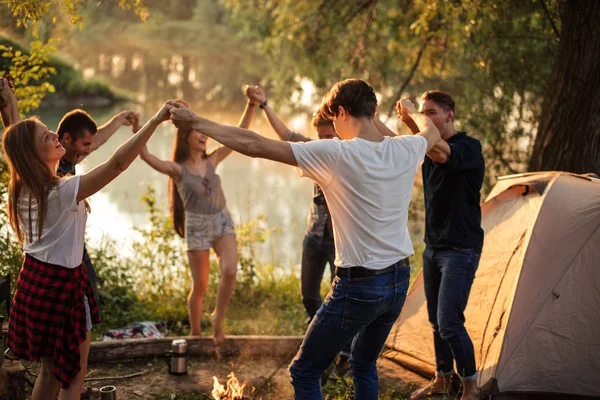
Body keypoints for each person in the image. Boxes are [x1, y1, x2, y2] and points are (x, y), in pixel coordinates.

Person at [167, 78, 441, 400]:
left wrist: (196, 122)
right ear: (374, 110)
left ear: (340, 112)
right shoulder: (404, 148)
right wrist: (410, 114)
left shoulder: (336, 154)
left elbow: (255, 145)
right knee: (364, 363)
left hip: (359, 286)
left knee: (304, 370)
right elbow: (432, 131)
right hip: (398, 281)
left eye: (335, 120)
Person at [3, 96, 173, 400]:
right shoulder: (60, 191)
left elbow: (16, 137)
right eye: (47, 137)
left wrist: (10, 104)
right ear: (33, 154)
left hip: (34, 285)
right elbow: (119, 163)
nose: (55, 135)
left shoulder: (21, 188)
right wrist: (157, 118)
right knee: (72, 379)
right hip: (61, 290)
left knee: (48, 373)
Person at [134, 98, 255, 345]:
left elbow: (239, 135)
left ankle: (217, 320)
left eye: (204, 132)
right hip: (196, 226)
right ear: (185, 136)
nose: (203, 136)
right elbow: (145, 155)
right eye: (197, 132)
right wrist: (139, 128)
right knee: (200, 286)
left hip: (222, 221)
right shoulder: (177, 170)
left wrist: (251, 104)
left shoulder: (213, 160)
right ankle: (195, 334)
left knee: (230, 271)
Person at [399, 91, 484, 400]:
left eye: (432, 112)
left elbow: (440, 151)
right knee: (436, 321)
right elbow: (415, 145)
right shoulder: (431, 148)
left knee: (449, 322)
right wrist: (405, 121)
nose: (428, 117)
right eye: (426, 113)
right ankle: (443, 378)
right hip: (434, 247)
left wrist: (413, 116)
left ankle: (471, 385)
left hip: (461, 249)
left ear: (449, 115)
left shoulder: (468, 148)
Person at [245, 85, 337, 324]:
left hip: (340, 239)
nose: (325, 141)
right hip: (314, 234)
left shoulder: (349, 155)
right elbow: (285, 135)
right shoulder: (312, 150)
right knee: (308, 295)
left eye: (330, 137)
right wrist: (264, 104)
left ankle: (343, 348)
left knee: (339, 297)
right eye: (322, 137)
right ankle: (318, 327)